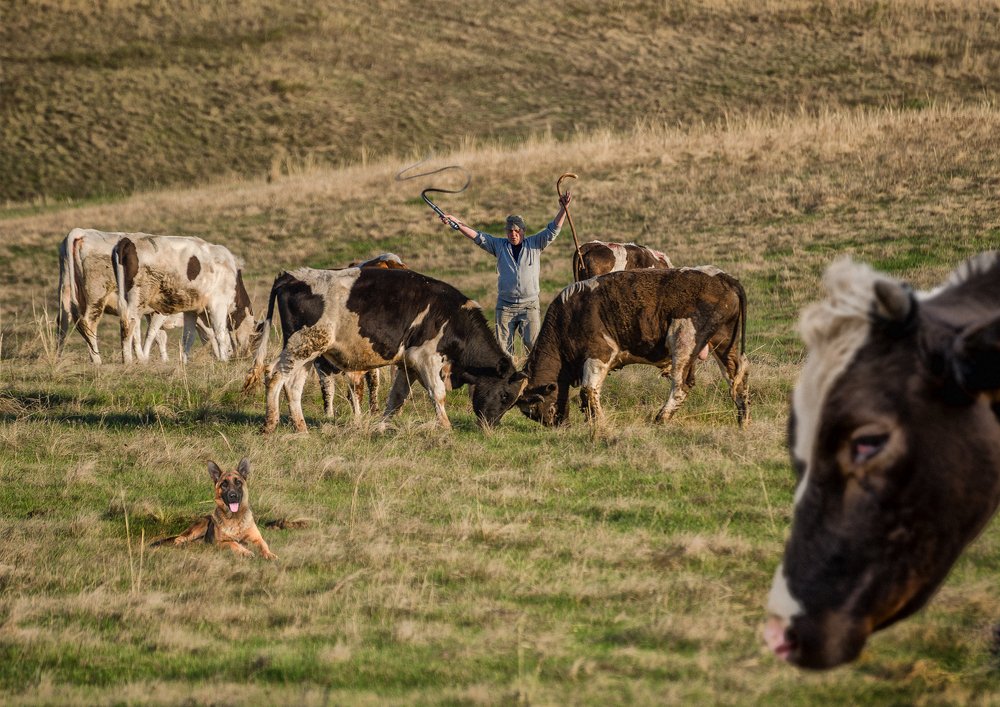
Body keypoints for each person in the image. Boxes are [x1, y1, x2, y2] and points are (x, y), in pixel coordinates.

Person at [440, 190, 572, 356]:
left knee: (533, 345)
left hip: (529, 305)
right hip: (506, 306)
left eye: (517, 231)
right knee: (503, 350)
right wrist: (456, 223)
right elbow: (478, 236)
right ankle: (507, 380)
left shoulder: (535, 243)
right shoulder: (499, 246)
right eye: (510, 231)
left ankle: (534, 379)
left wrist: (564, 209)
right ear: (506, 232)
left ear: (523, 231)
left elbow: (553, 230)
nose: (513, 234)